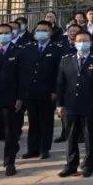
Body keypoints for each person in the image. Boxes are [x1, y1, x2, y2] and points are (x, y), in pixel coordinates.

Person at [56, 32, 93, 178]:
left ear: (91, 42)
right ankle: (71, 165)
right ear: (74, 43)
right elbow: (60, 84)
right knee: (71, 136)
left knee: (89, 135)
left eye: (85, 40)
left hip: (89, 105)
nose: (82, 43)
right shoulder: (66, 60)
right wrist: (60, 104)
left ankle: (89, 165)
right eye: (79, 41)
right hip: (71, 104)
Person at [19, 21, 62, 160]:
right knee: (33, 121)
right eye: (38, 30)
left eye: (44, 30)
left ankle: (44, 149)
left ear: (50, 32)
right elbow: (24, 71)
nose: (41, 32)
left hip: (48, 92)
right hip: (31, 91)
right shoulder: (28, 48)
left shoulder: (56, 49)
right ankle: (33, 149)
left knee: (46, 122)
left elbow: (59, 73)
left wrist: (55, 91)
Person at [0, 24, 21, 175]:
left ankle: (10, 162)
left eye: (6, 33)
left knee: (9, 132)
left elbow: (22, 77)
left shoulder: (17, 52)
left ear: (12, 35)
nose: (3, 35)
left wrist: (20, 97)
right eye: (0, 33)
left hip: (10, 99)